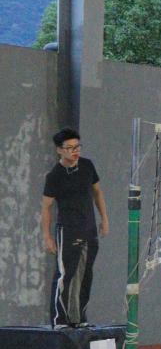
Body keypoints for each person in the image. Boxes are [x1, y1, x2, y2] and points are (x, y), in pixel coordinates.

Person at [40, 128, 109, 328]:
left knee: (86, 274)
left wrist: (104, 219)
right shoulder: (54, 176)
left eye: (77, 147)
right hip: (69, 230)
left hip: (89, 229)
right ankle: (59, 320)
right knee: (66, 274)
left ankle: (79, 318)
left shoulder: (87, 166)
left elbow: (97, 193)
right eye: (70, 148)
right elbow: (46, 207)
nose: (75, 151)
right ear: (59, 150)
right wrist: (47, 236)